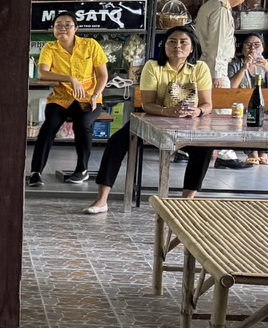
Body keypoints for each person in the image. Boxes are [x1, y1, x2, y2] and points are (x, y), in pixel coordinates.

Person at [81, 26, 214, 214]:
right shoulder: (153, 66)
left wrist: (198, 111)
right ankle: (102, 199)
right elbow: (147, 104)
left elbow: (208, 104)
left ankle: (186, 202)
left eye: (184, 42)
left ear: (192, 48)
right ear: (164, 46)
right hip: (154, 120)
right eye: (172, 42)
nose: (177, 46)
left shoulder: (200, 68)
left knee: (205, 147)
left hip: (188, 124)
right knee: (116, 142)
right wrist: (168, 112)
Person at [28, 13, 108, 188]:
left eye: (67, 24)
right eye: (58, 25)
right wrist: (70, 78)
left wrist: (95, 95)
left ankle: (82, 169)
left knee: (82, 124)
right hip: (60, 98)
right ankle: (35, 172)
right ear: (53, 29)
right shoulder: (50, 48)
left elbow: (103, 75)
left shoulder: (90, 45)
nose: (62, 28)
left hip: (89, 98)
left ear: (76, 28)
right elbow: (43, 73)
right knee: (49, 126)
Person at [195, 0, 256, 169]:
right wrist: (216, 75)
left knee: (208, 111)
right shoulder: (221, 10)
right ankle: (225, 154)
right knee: (222, 112)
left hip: (208, 64)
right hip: (215, 67)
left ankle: (192, 150)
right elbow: (218, 46)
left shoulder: (210, 5)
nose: (241, 2)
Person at [226, 33, 268, 166]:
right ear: (242, 49)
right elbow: (230, 89)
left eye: (257, 45)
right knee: (245, 116)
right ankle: (252, 151)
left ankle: (264, 151)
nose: (253, 48)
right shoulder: (235, 65)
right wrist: (244, 68)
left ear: (262, 49)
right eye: (248, 45)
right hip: (244, 106)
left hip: (266, 107)